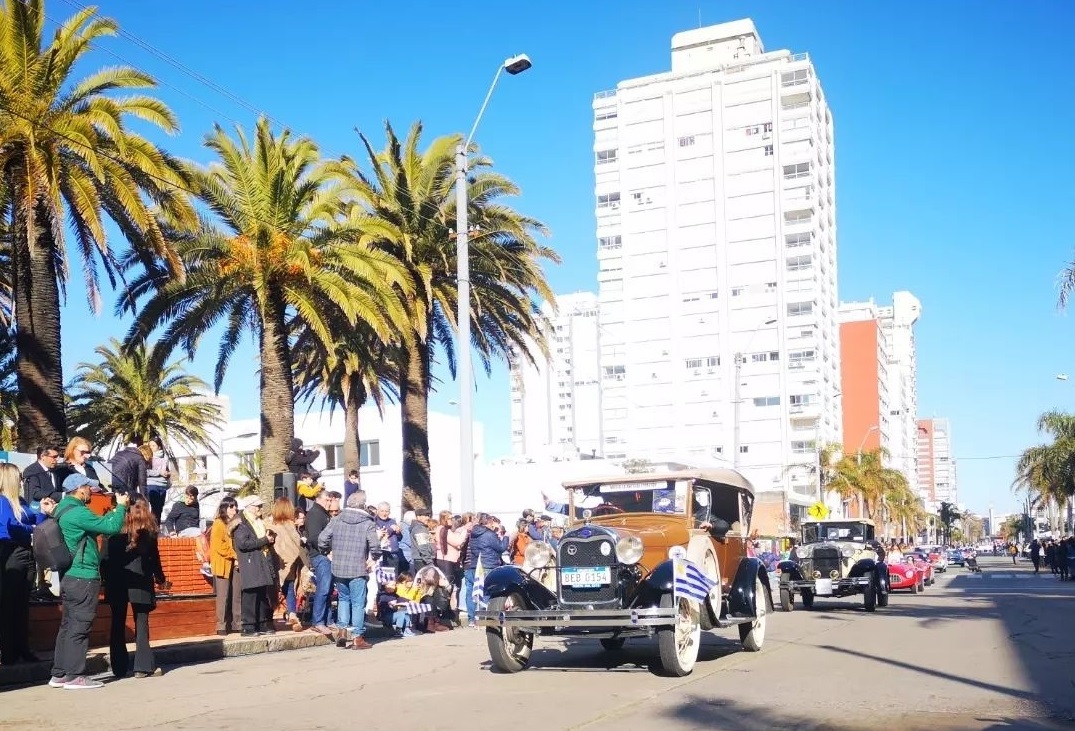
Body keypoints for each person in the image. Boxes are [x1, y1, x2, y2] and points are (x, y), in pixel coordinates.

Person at [49, 474, 129, 690]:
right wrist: (120, 507)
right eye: (88, 488)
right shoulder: (78, 512)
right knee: (80, 625)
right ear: (79, 489)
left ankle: (59, 673)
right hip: (83, 575)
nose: (91, 492)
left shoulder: (61, 509)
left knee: (67, 625)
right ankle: (75, 675)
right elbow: (111, 527)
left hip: (69, 576)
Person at [102, 495, 168, 679]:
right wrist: (160, 579)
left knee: (117, 623)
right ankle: (143, 666)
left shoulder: (113, 529)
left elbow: (104, 559)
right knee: (141, 622)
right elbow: (155, 560)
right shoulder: (148, 531)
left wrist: (104, 580)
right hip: (140, 580)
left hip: (116, 580)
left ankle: (119, 667)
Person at [318, 491, 380, 650]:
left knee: (344, 599)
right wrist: (373, 558)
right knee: (358, 603)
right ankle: (358, 637)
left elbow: (322, 539)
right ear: (363, 505)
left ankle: (342, 630)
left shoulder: (337, 519)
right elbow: (375, 546)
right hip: (358, 567)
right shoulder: (368, 522)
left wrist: (327, 552)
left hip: (339, 567)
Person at [0, 462, 46, 664]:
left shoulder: (19, 501)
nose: (22, 480)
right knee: (9, 605)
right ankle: (9, 652)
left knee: (22, 604)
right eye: (19, 477)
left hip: (25, 553)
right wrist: (34, 527)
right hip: (10, 552)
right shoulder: (2, 502)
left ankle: (22, 648)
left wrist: (43, 512)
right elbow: (12, 527)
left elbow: (35, 518)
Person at [231, 496, 277, 637]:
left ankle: (262, 623)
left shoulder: (258, 522)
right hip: (250, 562)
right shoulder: (241, 524)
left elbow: (259, 541)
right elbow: (243, 544)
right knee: (251, 594)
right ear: (250, 507)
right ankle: (248, 626)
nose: (260, 509)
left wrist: (269, 541)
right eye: (257, 506)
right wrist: (264, 540)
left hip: (261, 560)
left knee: (262, 593)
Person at [266, 497, 309, 632]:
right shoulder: (290, 526)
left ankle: (269, 620)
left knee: (272, 592)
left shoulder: (269, 524)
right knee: (290, 589)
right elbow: (296, 544)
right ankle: (292, 613)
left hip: (274, 563)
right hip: (290, 563)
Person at [209, 496, 242, 635]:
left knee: (237, 595)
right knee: (223, 596)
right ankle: (221, 626)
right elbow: (219, 546)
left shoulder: (237, 523)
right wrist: (235, 555)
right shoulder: (218, 523)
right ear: (224, 508)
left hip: (234, 564)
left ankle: (237, 623)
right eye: (231, 506)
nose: (234, 509)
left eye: (235, 506)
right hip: (223, 563)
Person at [145, 439, 171, 523]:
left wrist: (168, 474)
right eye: (150, 446)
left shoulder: (165, 458)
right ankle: (151, 530)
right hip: (152, 484)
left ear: (159, 447)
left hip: (163, 485)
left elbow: (166, 470)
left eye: (153, 445)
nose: (151, 448)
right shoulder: (147, 457)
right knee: (155, 507)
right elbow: (146, 471)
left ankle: (156, 530)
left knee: (159, 509)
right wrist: (159, 472)